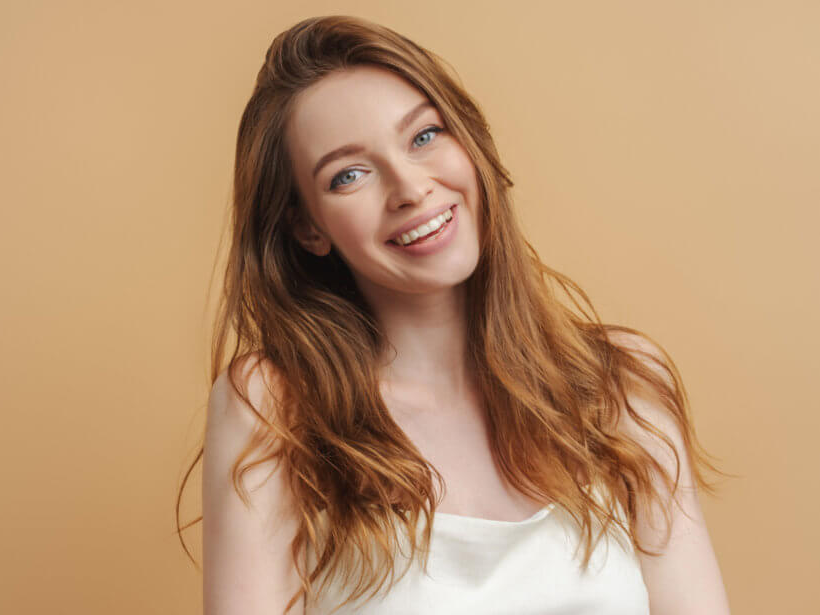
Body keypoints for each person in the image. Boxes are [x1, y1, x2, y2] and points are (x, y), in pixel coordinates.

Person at [177, 15, 731, 615]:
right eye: (349, 174)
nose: (410, 188)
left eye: (423, 137)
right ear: (308, 226)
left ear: (471, 144)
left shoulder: (621, 385)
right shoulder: (276, 408)